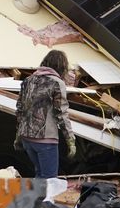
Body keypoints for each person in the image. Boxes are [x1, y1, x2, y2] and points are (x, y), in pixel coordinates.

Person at [15, 49, 75, 180]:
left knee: (40, 175)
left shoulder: (28, 80)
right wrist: (70, 140)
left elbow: (20, 109)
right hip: (45, 140)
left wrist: (18, 136)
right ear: (61, 66)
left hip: (27, 139)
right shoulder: (57, 83)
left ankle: (36, 200)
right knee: (50, 179)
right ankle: (45, 201)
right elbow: (62, 113)